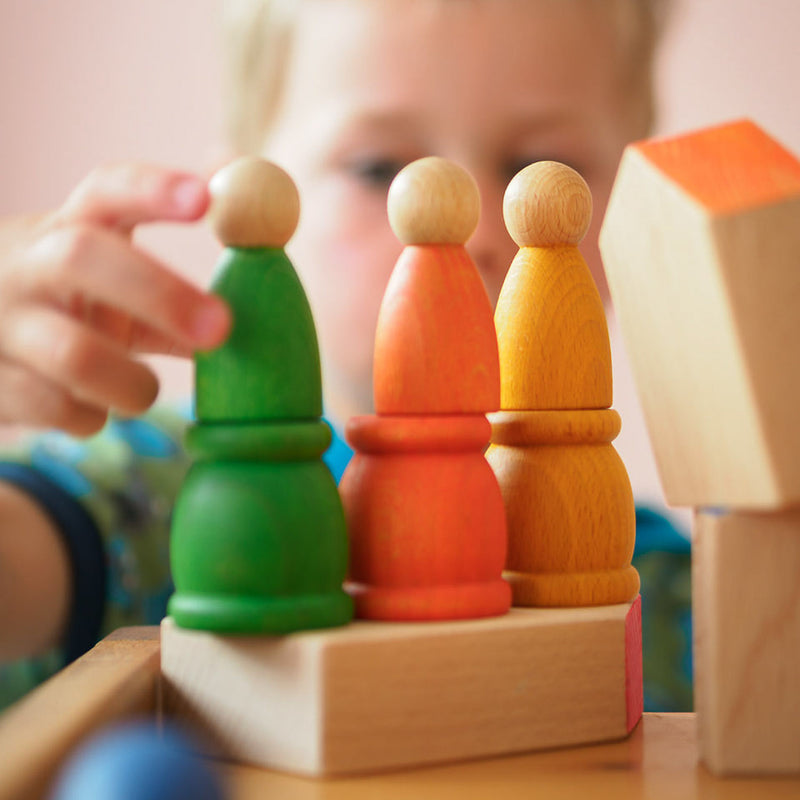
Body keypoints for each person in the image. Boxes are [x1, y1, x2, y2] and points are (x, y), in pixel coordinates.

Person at [0, 0, 689, 711]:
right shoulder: (154, 497)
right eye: (377, 167)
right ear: (238, 205)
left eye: (544, 166)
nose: (475, 223)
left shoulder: (670, 589)